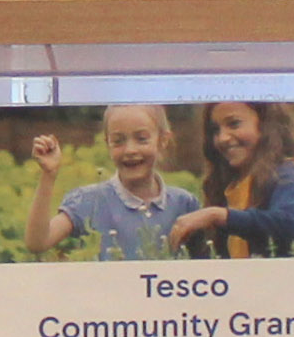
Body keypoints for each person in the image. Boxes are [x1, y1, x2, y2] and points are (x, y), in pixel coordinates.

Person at [22, 103, 203, 261]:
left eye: (141, 139)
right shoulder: (89, 200)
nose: (130, 150)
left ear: (162, 140)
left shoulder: (184, 203)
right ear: (107, 143)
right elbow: (38, 242)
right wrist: (49, 175)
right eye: (118, 141)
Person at [174, 97, 294, 257]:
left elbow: (292, 226)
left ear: (265, 125)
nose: (223, 138)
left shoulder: (287, 176)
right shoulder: (228, 187)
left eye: (234, 124)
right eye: (215, 130)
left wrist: (218, 216)